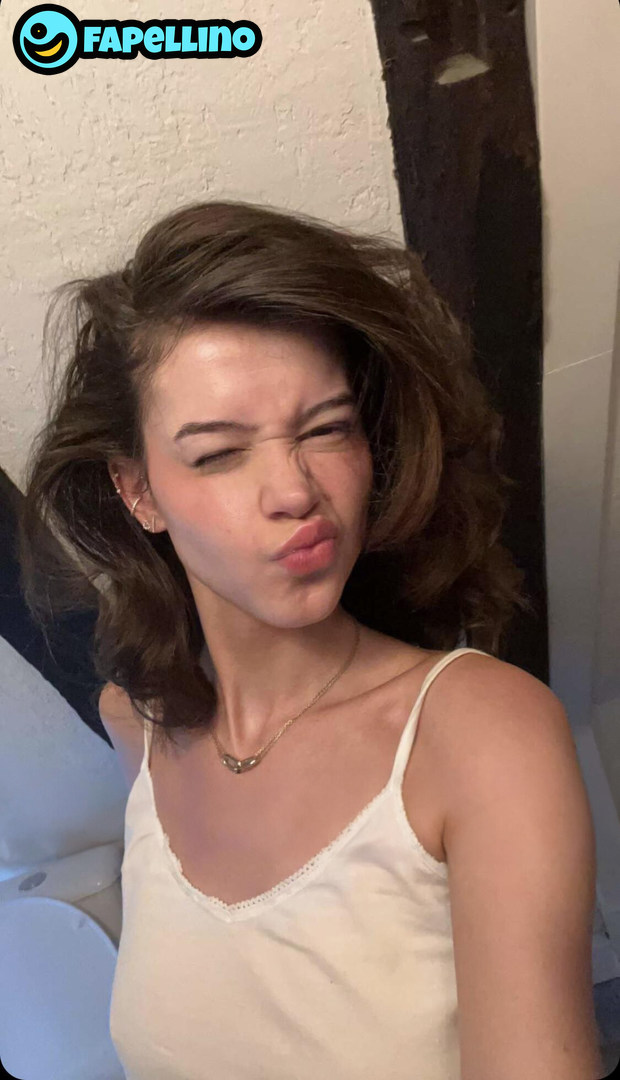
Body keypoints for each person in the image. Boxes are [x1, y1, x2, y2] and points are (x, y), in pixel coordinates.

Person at [17, 200, 604, 1079]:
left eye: (327, 429)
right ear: (138, 492)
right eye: (219, 452)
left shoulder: (480, 734)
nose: (295, 491)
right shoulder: (137, 723)